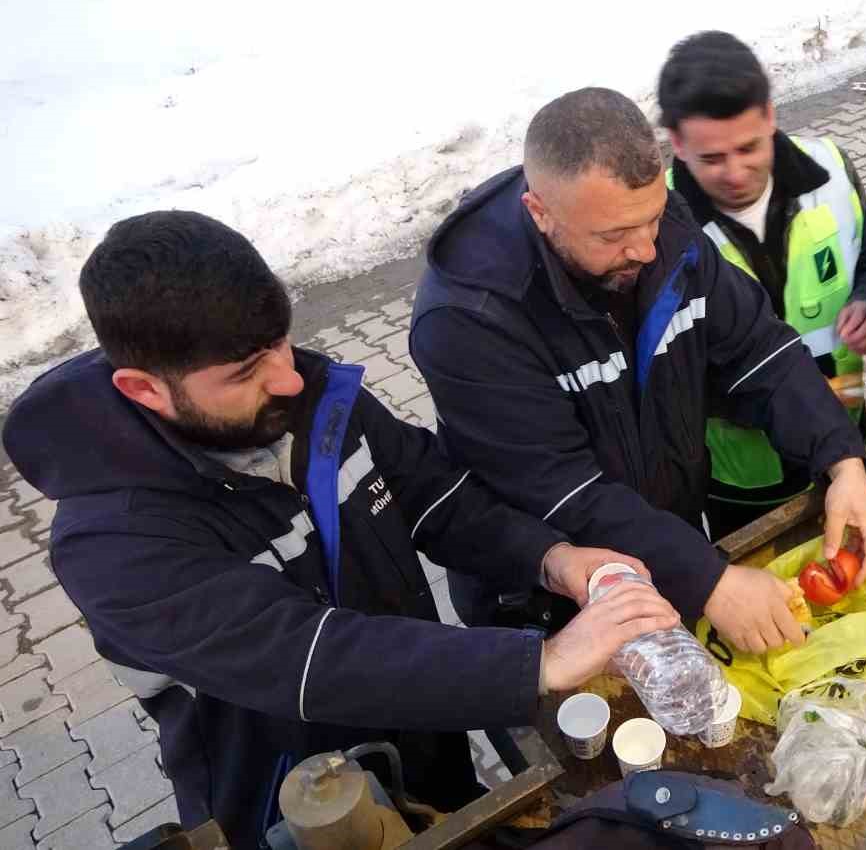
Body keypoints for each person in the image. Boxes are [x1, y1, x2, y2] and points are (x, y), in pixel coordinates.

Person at [0, 212, 679, 848]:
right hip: (289, 802)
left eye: (279, 342)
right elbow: (303, 655)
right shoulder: (111, 543)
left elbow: (434, 494)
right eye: (245, 372)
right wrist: (541, 663)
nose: (289, 380)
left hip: (422, 728)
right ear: (145, 389)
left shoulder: (318, 401)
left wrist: (551, 557)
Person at [410, 87, 866, 656]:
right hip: (550, 604)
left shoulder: (666, 234)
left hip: (661, 548)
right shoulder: (469, 320)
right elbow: (563, 491)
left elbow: (758, 349)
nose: (645, 250)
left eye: (652, 218)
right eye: (613, 236)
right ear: (540, 213)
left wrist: (840, 458)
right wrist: (707, 581)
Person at [656, 31, 866, 536]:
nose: (736, 173)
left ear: (769, 116)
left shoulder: (833, 170)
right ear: (676, 142)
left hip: (844, 445)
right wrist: (775, 399)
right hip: (741, 480)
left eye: (748, 147)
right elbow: (664, 372)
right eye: (712, 158)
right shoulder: (654, 227)